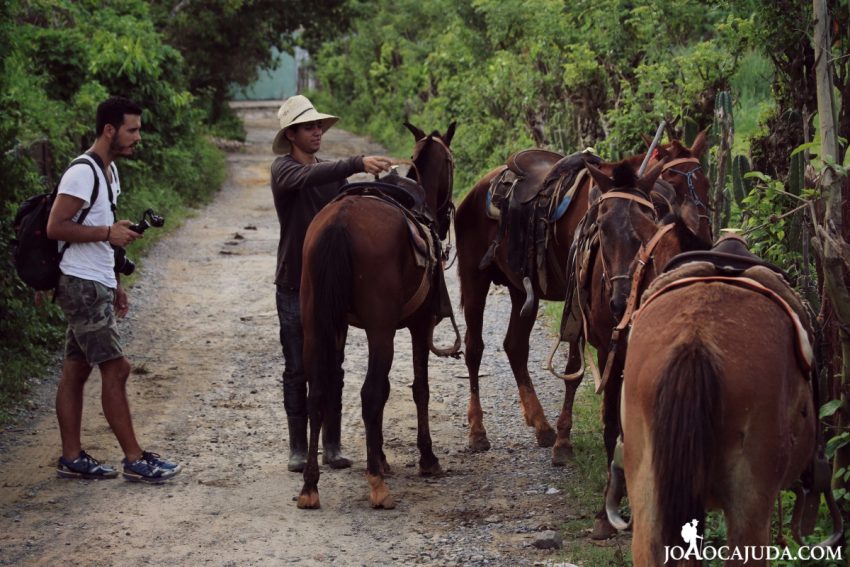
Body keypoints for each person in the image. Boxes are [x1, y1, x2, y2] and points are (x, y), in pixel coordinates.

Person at [46, 96, 181, 483]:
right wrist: (107, 232)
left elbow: (105, 238)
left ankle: (71, 457)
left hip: (96, 282)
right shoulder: (82, 173)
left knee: (75, 371)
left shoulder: (110, 172)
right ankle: (135, 459)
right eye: (132, 129)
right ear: (110, 130)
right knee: (117, 368)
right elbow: (56, 227)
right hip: (80, 284)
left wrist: (116, 281)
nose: (138, 137)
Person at [271, 94, 392, 472]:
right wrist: (357, 162)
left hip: (327, 284)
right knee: (297, 366)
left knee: (332, 363)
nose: (318, 131)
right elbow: (311, 176)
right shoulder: (284, 170)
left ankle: (332, 444)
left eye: (319, 125)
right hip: (293, 282)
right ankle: (297, 445)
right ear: (291, 134)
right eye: (310, 127)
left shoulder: (330, 172)